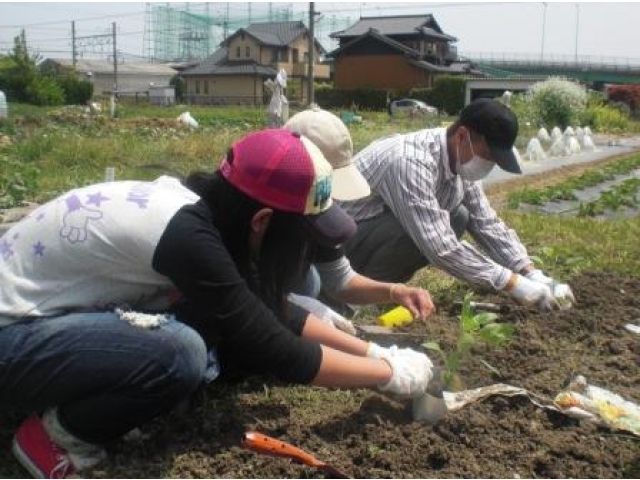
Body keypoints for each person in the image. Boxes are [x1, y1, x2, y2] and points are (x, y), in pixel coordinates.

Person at [0, 129, 435, 479]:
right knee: (179, 353)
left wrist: (376, 352)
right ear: (263, 221)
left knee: (205, 330)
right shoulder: (187, 235)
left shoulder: (204, 212)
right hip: (11, 338)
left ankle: (97, 403)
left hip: (42, 326)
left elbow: (265, 309)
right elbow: (275, 349)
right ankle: (55, 438)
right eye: (301, 235)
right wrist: (388, 375)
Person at [340, 98, 576, 311]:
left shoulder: (460, 162)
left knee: (459, 216)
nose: (488, 166)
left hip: (368, 237)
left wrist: (530, 273)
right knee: (424, 224)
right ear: (462, 136)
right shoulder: (409, 161)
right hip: (336, 246)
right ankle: (357, 296)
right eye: (488, 157)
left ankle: (379, 291)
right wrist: (513, 284)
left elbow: (486, 223)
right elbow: (440, 247)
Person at [284, 106, 435, 323]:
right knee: (309, 281)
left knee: (312, 280)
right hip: (246, 321)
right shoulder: (257, 217)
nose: (331, 199)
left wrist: (394, 291)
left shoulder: (317, 212)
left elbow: (340, 280)